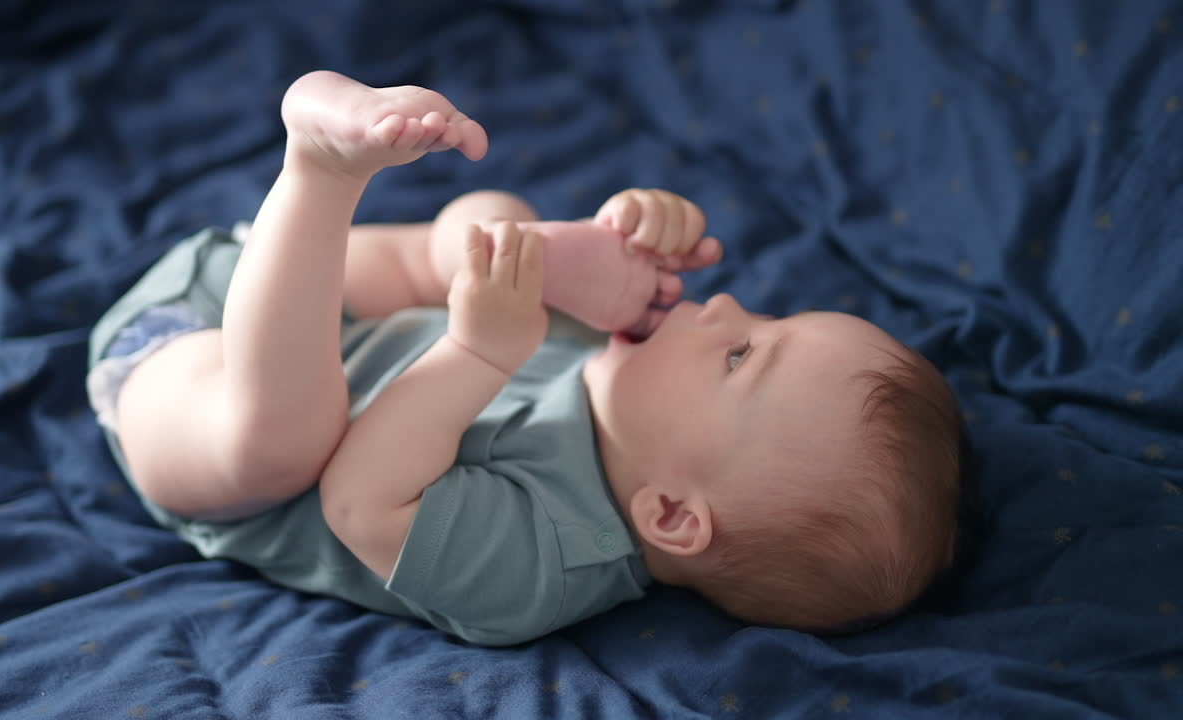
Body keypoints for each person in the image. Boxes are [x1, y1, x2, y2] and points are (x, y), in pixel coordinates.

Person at [86, 70, 966, 646]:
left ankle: (318, 172)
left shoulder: (544, 565)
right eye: (767, 314)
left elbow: (358, 501)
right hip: (282, 284)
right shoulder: (623, 363)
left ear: (671, 515)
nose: (729, 302)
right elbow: (506, 287)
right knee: (488, 232)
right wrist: (622, 242)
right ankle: (510, 240)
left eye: (741, 355)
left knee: (288, 439)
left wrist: (478, 348)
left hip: (179, 394)